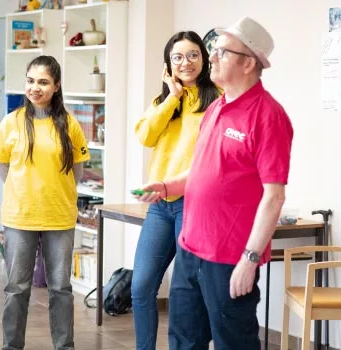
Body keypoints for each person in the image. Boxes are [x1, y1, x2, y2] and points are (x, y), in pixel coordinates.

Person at [139, 17, 293, 349]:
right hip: (191, 249)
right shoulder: (215, 108)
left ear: (248, 62)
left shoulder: (268, 116)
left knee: (233, 342)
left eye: (222, 51)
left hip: (230, 259)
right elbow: (200, 171)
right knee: (183, 341)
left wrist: (249, 260)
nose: (212, 57)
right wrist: (167, 187)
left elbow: (274, 197)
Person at [131, 31, 220, 350]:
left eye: (193, 55)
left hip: (196, 206)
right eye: (178, 57)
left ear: (205, 58)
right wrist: (172, 97)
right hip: (160, 206)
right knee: (140, 287)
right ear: (168, 65)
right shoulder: (163, 102)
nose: (187, 62)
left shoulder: (218, 99)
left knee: (190, 292)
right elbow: (145, 136)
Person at [0, 55, 90, 350]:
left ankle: (65, 346)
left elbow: (77, 170)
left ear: (56, 86)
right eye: (31, 81)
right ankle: (11, 346)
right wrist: (25, 192)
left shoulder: (70, 124)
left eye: (43, 82)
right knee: (16, 288)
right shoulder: (10, 123)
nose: (35, 88)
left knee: (61, 288)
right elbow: (3, 168)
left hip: (59, 217)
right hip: (19, 216)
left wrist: (54, 193)